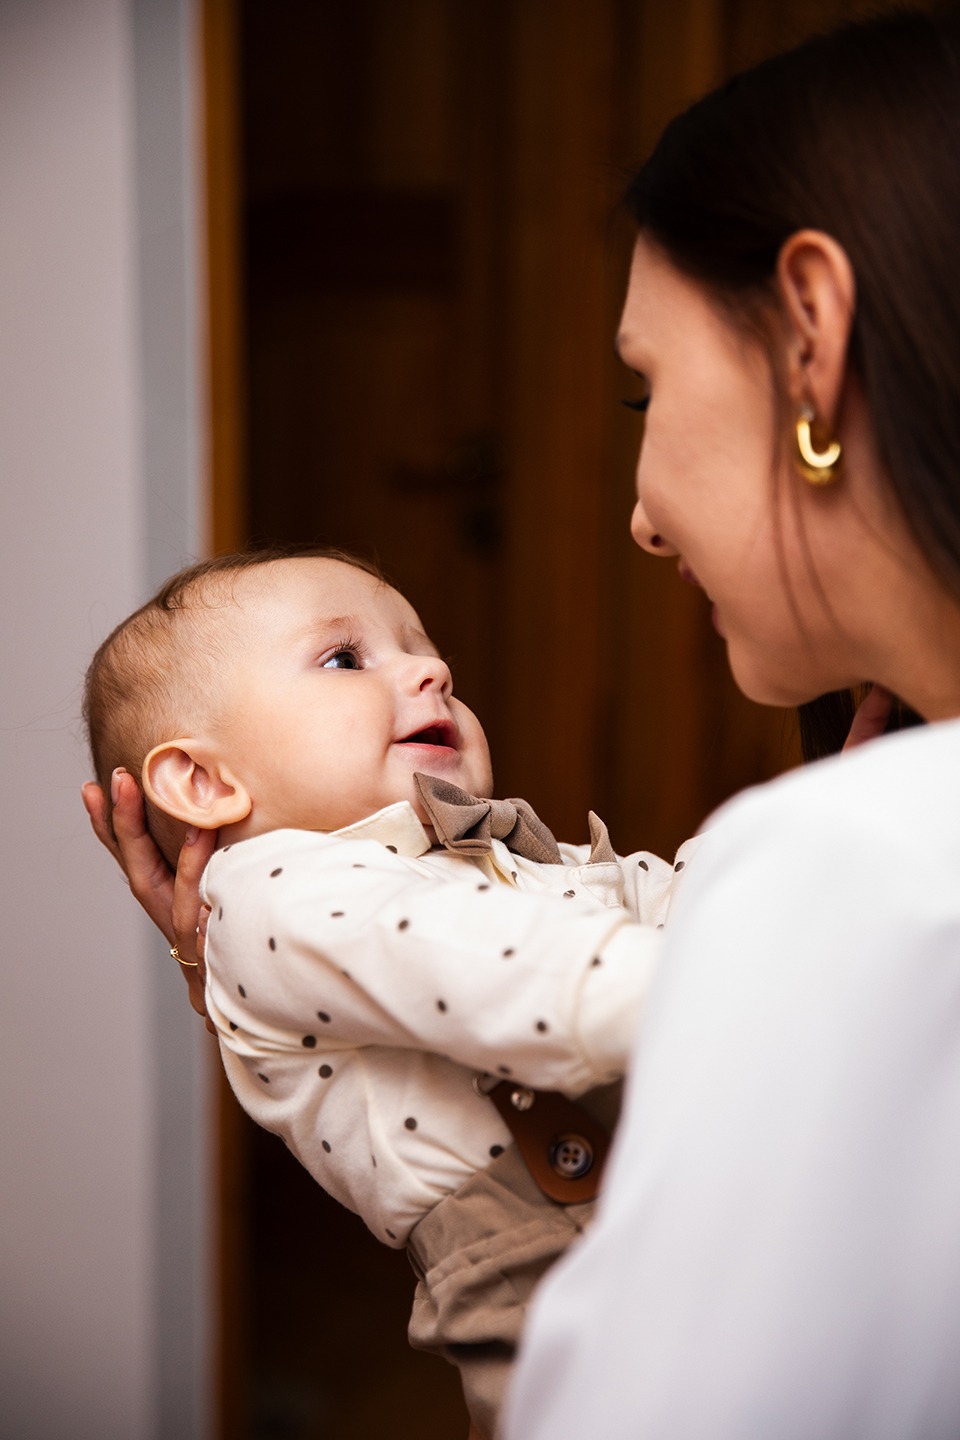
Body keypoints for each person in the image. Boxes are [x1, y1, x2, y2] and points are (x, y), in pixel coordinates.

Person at [84, 5, 960, 1432]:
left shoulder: (859, 867)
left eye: (644, 388)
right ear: (201, 777)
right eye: (342, 661)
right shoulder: (849, 831)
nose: (639, 515)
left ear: (811, 344)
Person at [82, 547, 696, 1439]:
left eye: (424, 648)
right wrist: (733, 983)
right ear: (206, 782)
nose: (433, 670)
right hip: (551, 1282)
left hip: (661, 1213)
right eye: (345, 658)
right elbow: (519, 976)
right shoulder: (270, 896)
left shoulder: (507, 861)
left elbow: (687, 906)